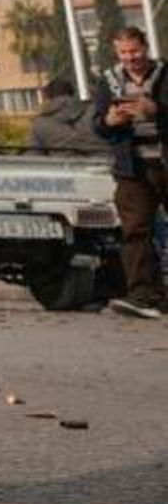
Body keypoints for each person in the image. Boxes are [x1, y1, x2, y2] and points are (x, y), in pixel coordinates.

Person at [93, 25, 166, 314]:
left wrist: (156, 110)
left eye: (134, 51)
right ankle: (143, 296)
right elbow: (98, 125)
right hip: (132, 167)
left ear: (145, 47)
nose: (130, 58)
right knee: (135, 231)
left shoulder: (164, 74)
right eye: (123, 53)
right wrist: (110, 121)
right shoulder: (108, 81)